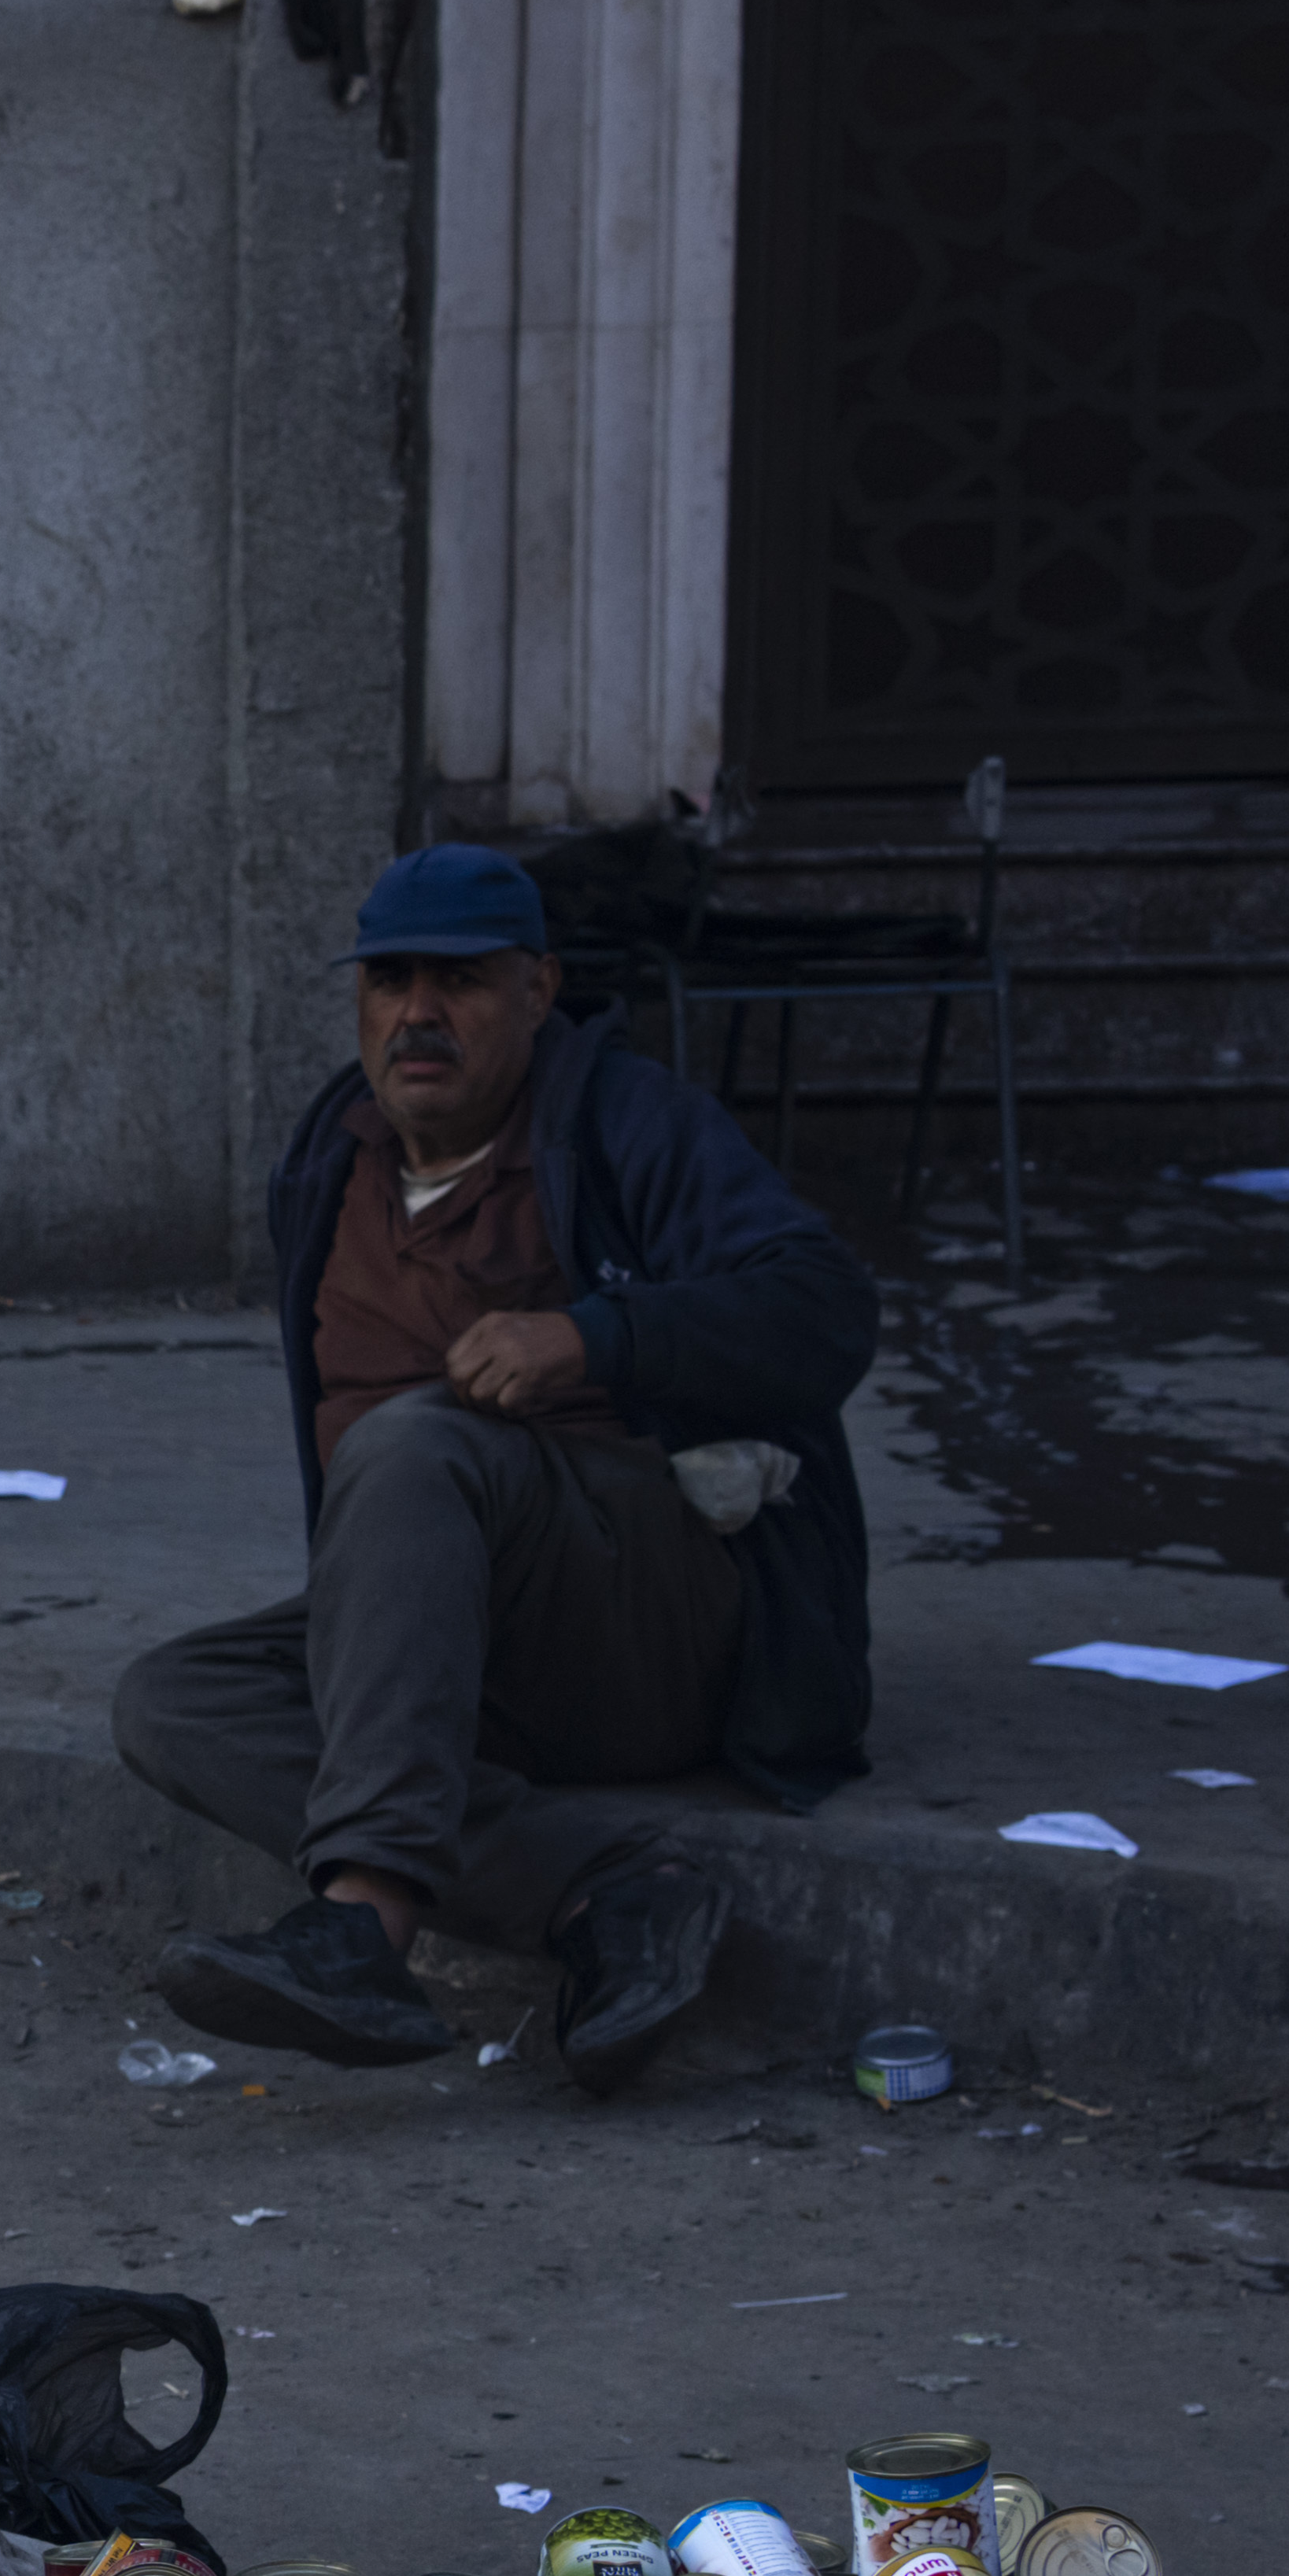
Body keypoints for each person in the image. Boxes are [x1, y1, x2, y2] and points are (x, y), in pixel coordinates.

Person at [111, 842, 877, 2093]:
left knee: (410, 1441)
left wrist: (593, 1337)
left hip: (657, 1625)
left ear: (537, 991)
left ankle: (364, 1925)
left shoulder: (628, 1123)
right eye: (389, 981)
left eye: (459, 982)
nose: (418, 1013)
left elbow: (829, 1308)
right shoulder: (333, 1155)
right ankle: (610, 1890)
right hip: (458, 1645)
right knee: (171, 1700)